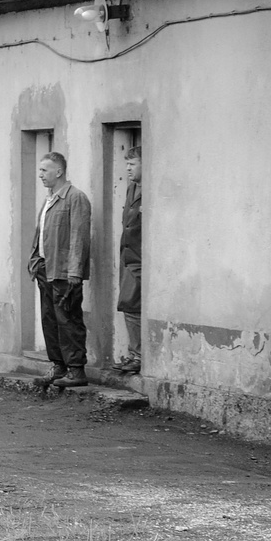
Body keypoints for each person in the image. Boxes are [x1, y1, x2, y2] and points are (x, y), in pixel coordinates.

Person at [26, 151, 92, 389]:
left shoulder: (76, 198)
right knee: (49, 319)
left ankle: (76, 370)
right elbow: (40, 233)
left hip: (65, 273)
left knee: (68, 319)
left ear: (59, 171)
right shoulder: (49, 199)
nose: (40, 175)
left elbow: (79, 237)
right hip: (46, 269)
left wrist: (75, 272)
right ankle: (58, 366)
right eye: (40, 170)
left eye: (44, 170)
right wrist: (35, 261)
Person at [116, 147, 142, 374]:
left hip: (142, 258)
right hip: (129, 256)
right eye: (127, 164)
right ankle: (135, 354)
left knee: (132, 306)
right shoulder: (131, 188)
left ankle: (139, 355)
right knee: (130, 306)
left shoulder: (148, 189)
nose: (128, 168)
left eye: (132, 164)